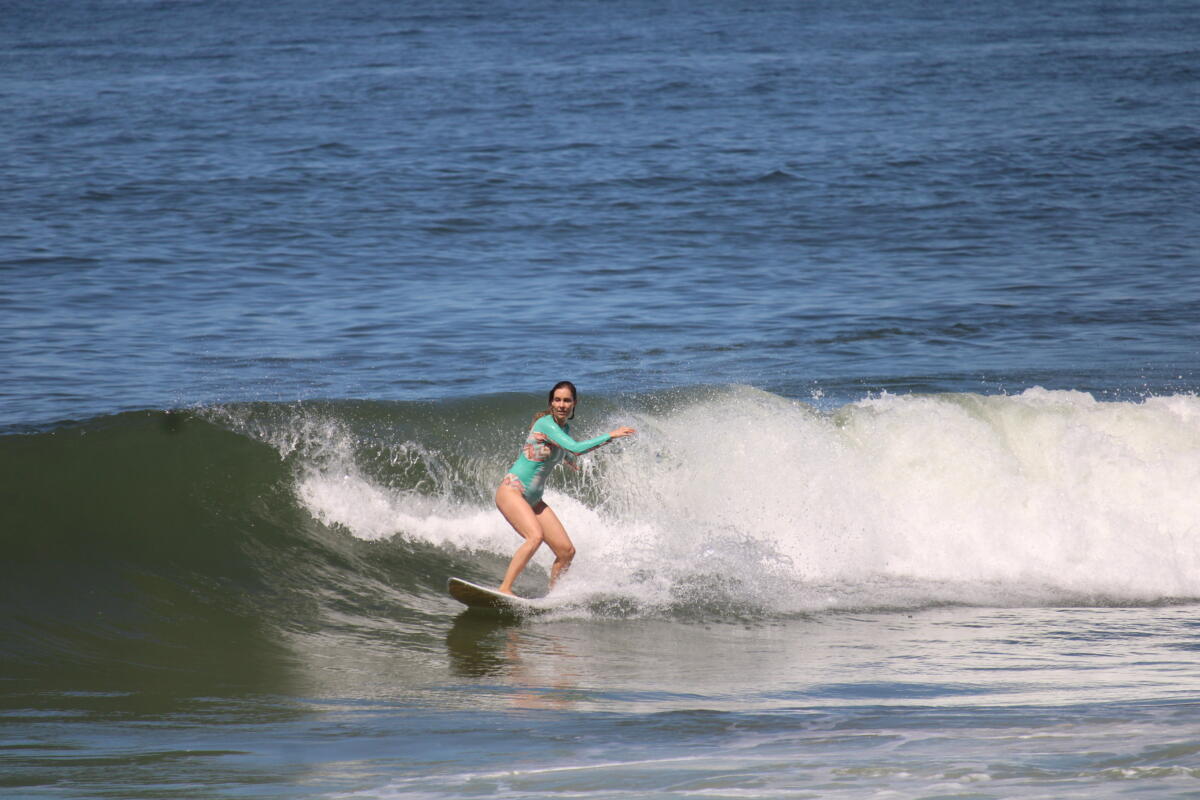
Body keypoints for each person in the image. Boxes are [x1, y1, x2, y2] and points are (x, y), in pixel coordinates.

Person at [495, 381, 635, 596]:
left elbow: (564, 449)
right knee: (535, 537)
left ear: (574, 403)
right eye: (557, 400)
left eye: (566, 400)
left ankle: (554, 595)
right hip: (512, 491)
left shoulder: (564, 428)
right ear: (551, 402)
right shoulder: (545, 423)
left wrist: (568, 460)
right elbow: (576, 448)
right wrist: (611, 435)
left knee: (566, 551)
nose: (561, 404)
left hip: (534, 500)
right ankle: (505, 588)